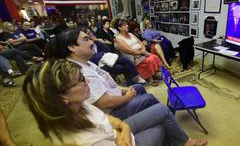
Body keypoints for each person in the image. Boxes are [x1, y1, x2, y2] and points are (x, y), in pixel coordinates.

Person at [22, 59, 208, 146]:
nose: (86, 82)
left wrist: (123, 128)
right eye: (80, 80)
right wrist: (126, 102)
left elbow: (103, 116)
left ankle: (184, 142)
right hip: (115, 137)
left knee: (159, 109)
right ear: (62, 97)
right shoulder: (82, 141)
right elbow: (105, 104)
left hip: (115, 130)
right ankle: (182, 141)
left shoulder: (75, 103)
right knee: (160, 126)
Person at [49, 28, 159, 120]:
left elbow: (107, 82)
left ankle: (149, 118)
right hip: (111, 112)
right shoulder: (77, 72)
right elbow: (104, 103)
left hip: (115, 98)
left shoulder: (87, 63)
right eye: (86, 40)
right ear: (72, 47)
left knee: (139, 88)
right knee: (150, 98)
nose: (92, 42)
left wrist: (122, 89)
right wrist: (127, 97)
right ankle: (154, 117)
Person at [114, 19, 162, 86]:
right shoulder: (118, 39)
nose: (127, 26)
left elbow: (140, 42)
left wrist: (143, 49)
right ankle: (150, 79)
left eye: (126, 24)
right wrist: (141, 52)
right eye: (124, 25)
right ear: (119, 28)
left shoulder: (130, 34)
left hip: (141, 53)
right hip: (133, 57)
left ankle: (155, 73)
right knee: (149, 59)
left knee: (154, 57)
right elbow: (129, 50)